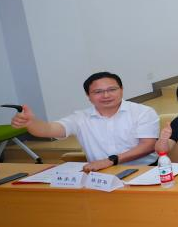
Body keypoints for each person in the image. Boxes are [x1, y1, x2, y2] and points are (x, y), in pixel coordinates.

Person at [11, 71, 157, 171]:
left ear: (121, 90)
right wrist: (31, 122)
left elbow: (148, 146)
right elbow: (49, 129)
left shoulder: (143, 112)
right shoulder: (80, 117)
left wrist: (110, 160)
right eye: (98, 92)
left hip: (144, 169)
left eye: (112, 89)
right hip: (100, 173)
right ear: (88, 96)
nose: (106, 95)